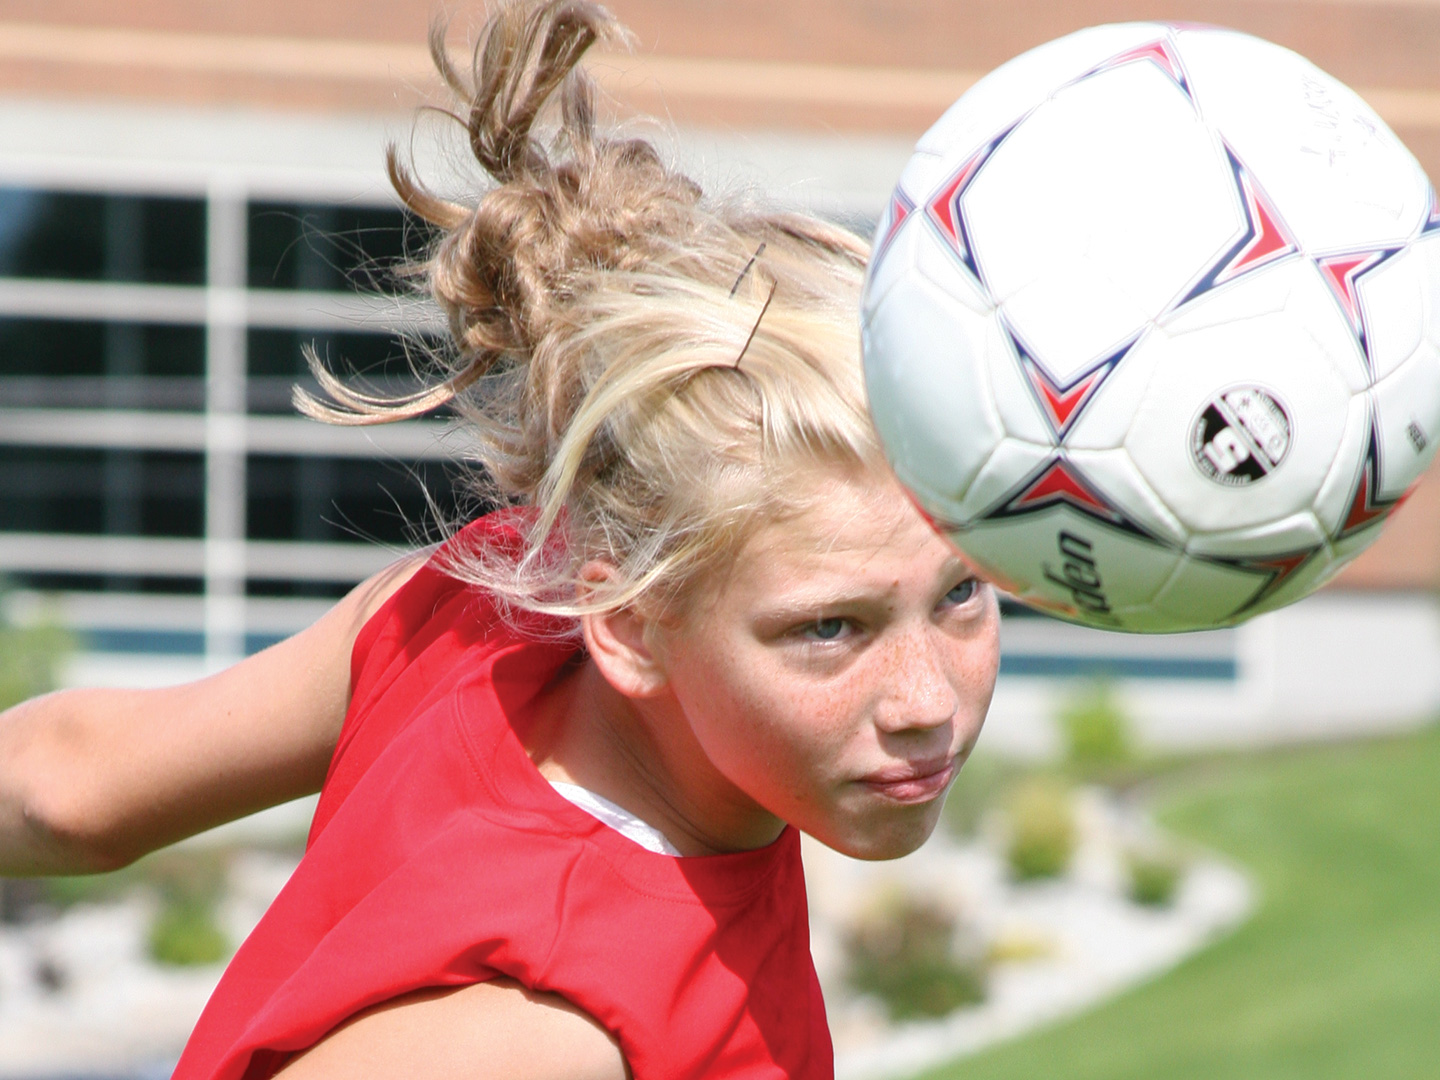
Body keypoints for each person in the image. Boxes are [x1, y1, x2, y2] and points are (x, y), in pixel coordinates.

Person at [0, 2, 1000, 1077]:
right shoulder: (541, 1028)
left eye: (960, 594)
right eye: (828, 629)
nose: (925, 701)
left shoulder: (484, 612)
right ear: (627, 624)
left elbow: (64, 788)